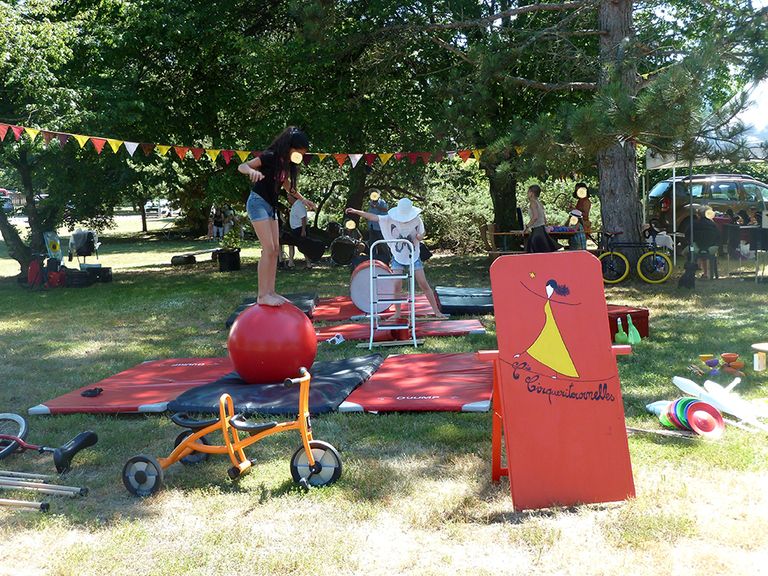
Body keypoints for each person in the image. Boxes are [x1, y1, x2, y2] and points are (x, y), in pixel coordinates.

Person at [238, 127, 316, 306]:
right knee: (268, 249)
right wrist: (251, 171)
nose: (300, 156)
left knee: (274, 250)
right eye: (299, 152)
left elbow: (288, 186)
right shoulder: (270, 156)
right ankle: (262, 295)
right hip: (257, 202)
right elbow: (242, 166)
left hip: (271, 207)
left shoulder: (285, 163)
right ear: (290, 146)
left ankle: (271, 292)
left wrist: (304, 201)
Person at [345, 198, 447, 319]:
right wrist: (356, 211)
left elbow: (422, 232)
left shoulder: (416, 219)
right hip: (398, 256)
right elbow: (373, 217)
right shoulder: (390, 218)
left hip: (413, 256)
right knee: (397, 285)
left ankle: (437, 312)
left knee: (423, 284)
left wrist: (420, 236)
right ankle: (397, 313)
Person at [689, 205, 721, 279]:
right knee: (704, 253)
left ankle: (692, 269)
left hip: (697, 247)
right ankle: (705, 273)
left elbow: (688, 234)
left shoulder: (694, 224)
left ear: (698, 214)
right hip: (711, 248)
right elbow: (718, 236)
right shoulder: (714, 225)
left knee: (686, 251)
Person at [524, 184, 558, 253]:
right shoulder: (540, 203)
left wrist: (527, 226)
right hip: (542, 230)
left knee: (533, 252)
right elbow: (545, 220)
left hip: (537, 231)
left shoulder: (533, 203)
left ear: (532, 193)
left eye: (528, 192)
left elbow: (535, 217)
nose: (527, 193)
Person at [287, 192, 312, 269]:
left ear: (292, 197)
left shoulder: (299, 205)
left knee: (304, 247)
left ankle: (308, 264)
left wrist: (303, 230)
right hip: (295, 229)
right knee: (290, 244)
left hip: (300, 229)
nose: (287, 198)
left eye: (288, 196)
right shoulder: (294, 206)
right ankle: (290, 263)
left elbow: (303, 218)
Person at [367, 191, 391, 263]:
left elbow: (386, 210)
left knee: (383, 244)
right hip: (371, 226)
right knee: (372, 244)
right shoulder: (370, 202)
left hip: (380, 227)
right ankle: (373, 260)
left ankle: (389, 259)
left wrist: (376, 206)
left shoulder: (382, 202)